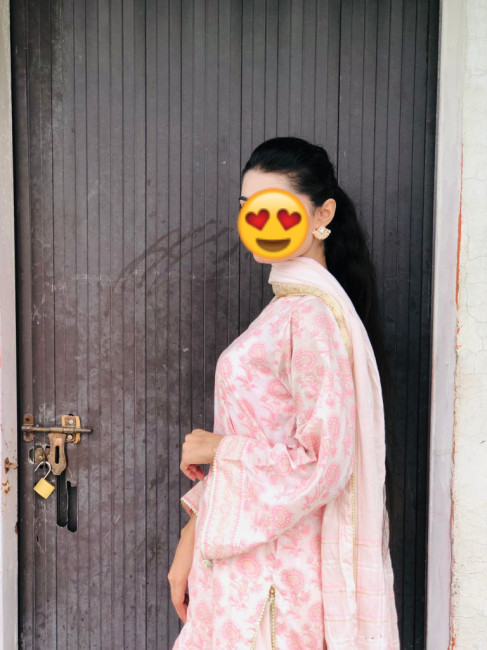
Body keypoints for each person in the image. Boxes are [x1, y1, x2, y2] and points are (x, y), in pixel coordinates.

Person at [168, 137, 400, 649]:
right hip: (246, 573)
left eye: (276, 206)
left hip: (275, 586)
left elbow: (325, 463)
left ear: (323, 214)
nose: (259, 221)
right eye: (248, 207)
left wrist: (219, 449)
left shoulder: (311, 317)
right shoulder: (288, 308)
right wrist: (191, 534)